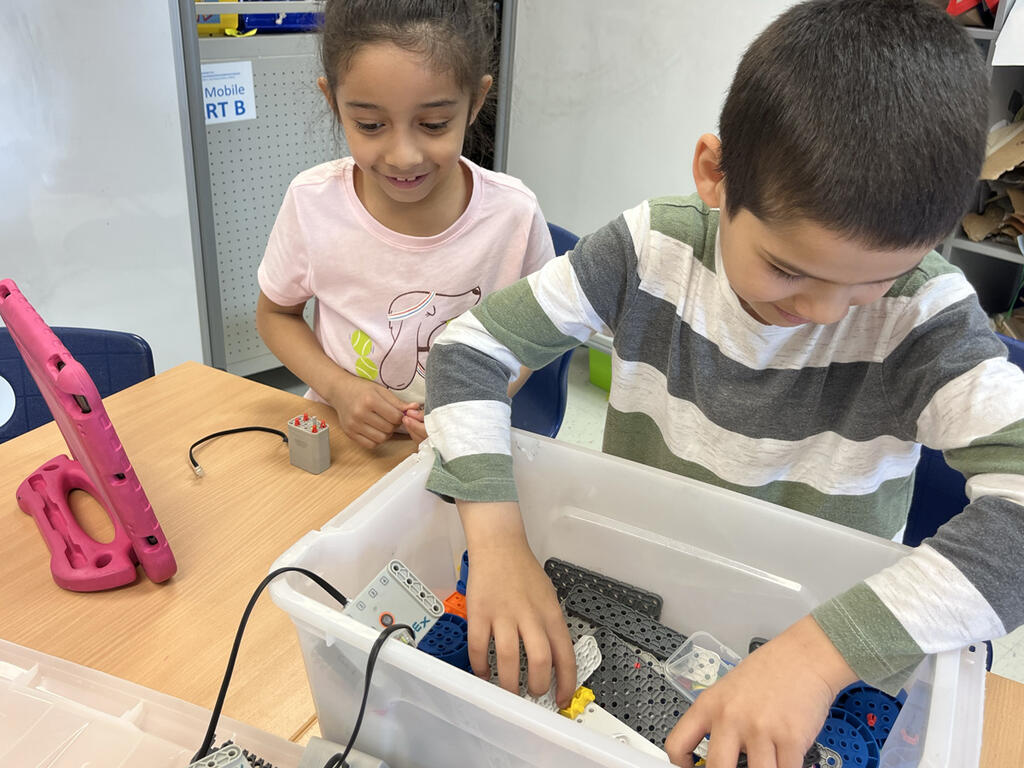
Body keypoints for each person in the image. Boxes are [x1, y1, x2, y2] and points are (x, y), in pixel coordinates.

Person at [422, 1, 1024, 765]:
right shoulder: (651, 250)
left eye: (873, 282)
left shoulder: (925, 317)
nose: (822, 311)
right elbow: (469, 351)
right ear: (715, 174)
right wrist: (499, 544)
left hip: (819, 630)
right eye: (787, 269)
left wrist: (817, 657)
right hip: (643, 577)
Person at [257, 0, 554, 450]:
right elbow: (275, 314)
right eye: (370, 124)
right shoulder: (313, 201)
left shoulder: (514, 214)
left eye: (433, 124)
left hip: (463, 439)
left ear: (475, 101)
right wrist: (339, 388)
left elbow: (534, 332)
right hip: (345, 439)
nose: (403, 156)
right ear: (333, 102)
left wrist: (470, 407)